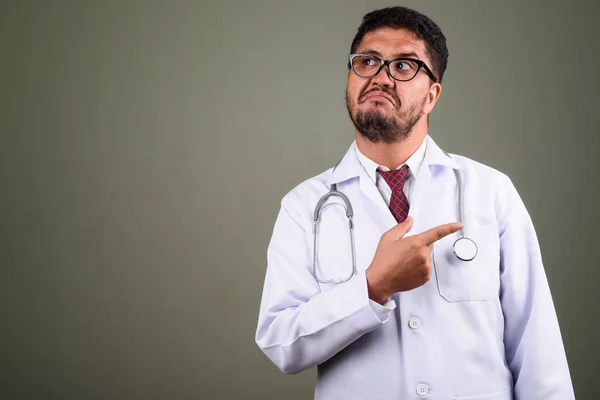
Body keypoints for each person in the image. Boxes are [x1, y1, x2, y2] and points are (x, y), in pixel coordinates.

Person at [255, 6, 574, 399]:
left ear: (432, 95)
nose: (380, 77)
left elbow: (536, 344)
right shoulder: (305, 205)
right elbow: (280, 343)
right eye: (367, 61)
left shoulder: (490, 191)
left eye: (404, 66)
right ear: (350, 76)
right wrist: (372, 287)